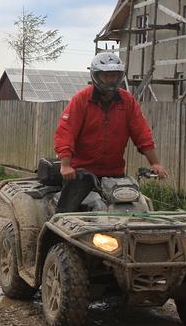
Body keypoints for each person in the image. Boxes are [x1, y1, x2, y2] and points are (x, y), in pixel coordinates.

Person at [53, 52, 169, 213]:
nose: (110, 80)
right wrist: (65, 165)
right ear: (96, 76)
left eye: (114, 76)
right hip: (81, 173)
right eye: (106, 76)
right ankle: (56, 237)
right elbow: (66, 131)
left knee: (132, 211)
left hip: (114, 174)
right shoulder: (81, 99)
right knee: (67, 213)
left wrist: (155, 163)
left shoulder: (127, 101)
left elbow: (142, 133)